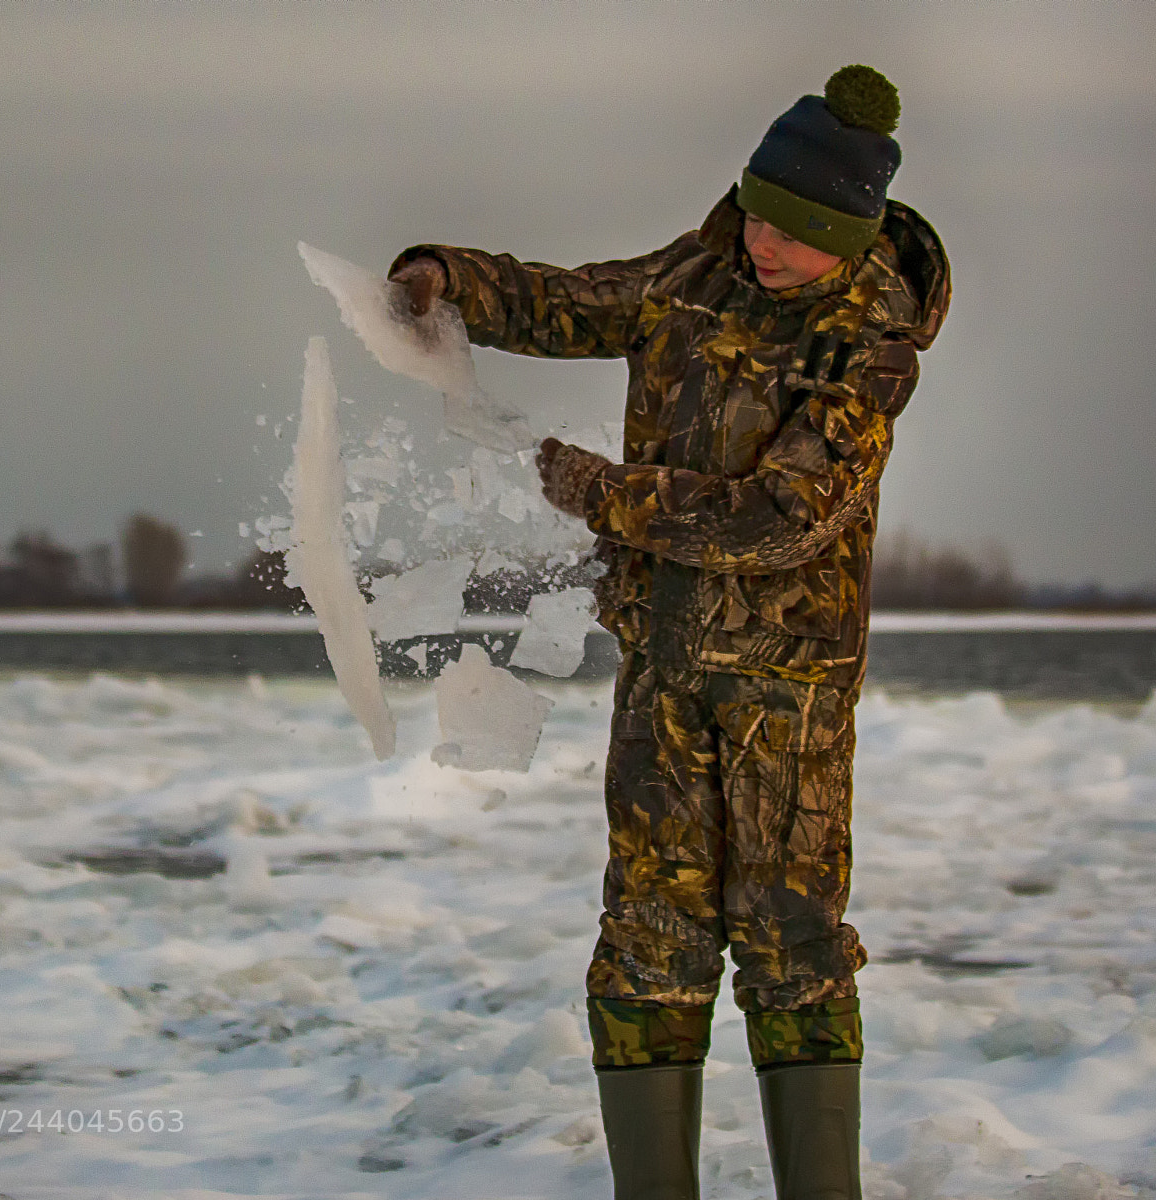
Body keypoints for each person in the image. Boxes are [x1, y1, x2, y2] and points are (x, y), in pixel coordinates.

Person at [390, 65, 949, 1200]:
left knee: (789, 940)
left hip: (787, 691)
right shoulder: (698, 274)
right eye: (754, 212)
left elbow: (784, 519)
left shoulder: (871, 341)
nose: (762, 245)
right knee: (646, 938)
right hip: (663, 666)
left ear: (845, 236)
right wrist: (451, 282)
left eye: (791, 235)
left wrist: (607, 493)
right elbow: (577, 301)